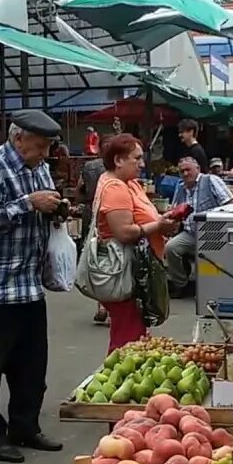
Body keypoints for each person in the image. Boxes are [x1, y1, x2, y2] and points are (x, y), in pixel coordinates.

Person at [0, 110, 64, 463]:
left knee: (32, 366)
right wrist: (29, 203)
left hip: (28, 285)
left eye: (48, 147)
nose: (45, 154)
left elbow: (42, 205)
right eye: (39, 146)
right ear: (18, 139)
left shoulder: (40, 169)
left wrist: (55, 208)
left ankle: (25, 426)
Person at [93, 135, 180, 352]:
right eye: (137, 158)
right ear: (118, 160)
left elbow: (144, 218)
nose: (142, 164)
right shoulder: (115, 187)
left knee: (133, 332)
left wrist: (163, 221)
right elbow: (123, 233)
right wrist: (159, 226)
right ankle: (117, 381)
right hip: (123, 269)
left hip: (135, 269)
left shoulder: (129, 183)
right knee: (127, 339)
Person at [166, 156, 232, 299]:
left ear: (198, 169)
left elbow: (229, 203)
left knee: (207, 261)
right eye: (181, 171)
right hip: (190, 233)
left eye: (188, 170)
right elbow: (174, 210)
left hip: (213, 234)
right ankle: (181, 284)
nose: (185, 174)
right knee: (171, 248)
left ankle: (210, 288)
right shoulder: (180, 187)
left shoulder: (210, 180)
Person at [77, 148, 109, 326]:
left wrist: (84, 199)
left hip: (91, 210)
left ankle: (101, 305)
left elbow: (79, 190)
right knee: (109, 258)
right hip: (111, 212)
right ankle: (107, 306)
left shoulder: (88, 166)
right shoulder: (118, 168)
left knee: (95, 257)